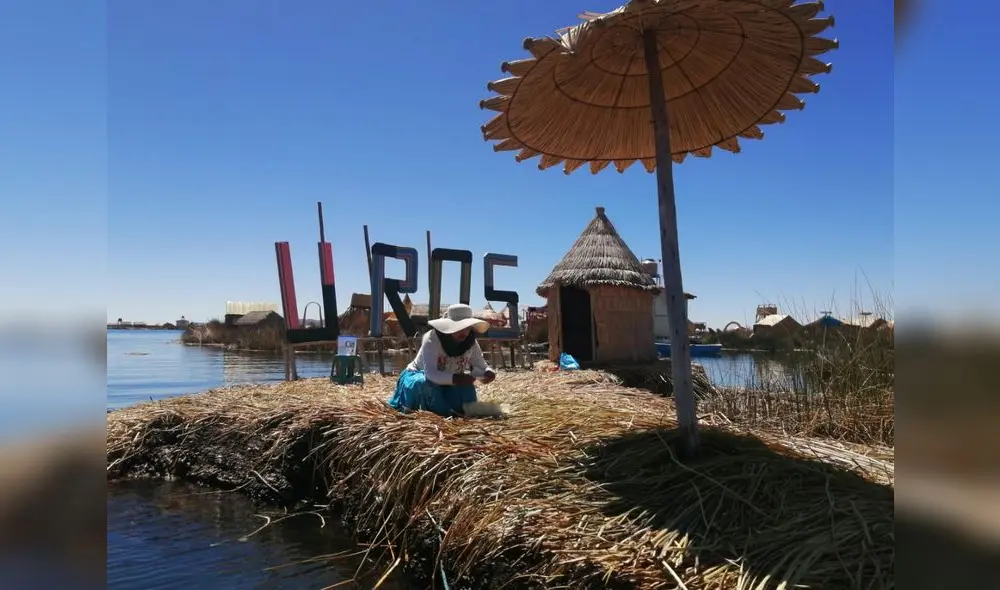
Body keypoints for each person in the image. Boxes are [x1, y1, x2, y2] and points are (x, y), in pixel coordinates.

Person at [388, 303, 497, 417]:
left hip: (451, 379)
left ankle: (455, 412)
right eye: (459, 327)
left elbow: (480, 365)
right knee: (425, 384)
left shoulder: (471, 342)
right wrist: (456, 379)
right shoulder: (432, 338)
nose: (464, 332)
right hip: (421, 375)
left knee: (467, 388)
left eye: (467, 328)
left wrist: (488, 372)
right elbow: (431, 374)